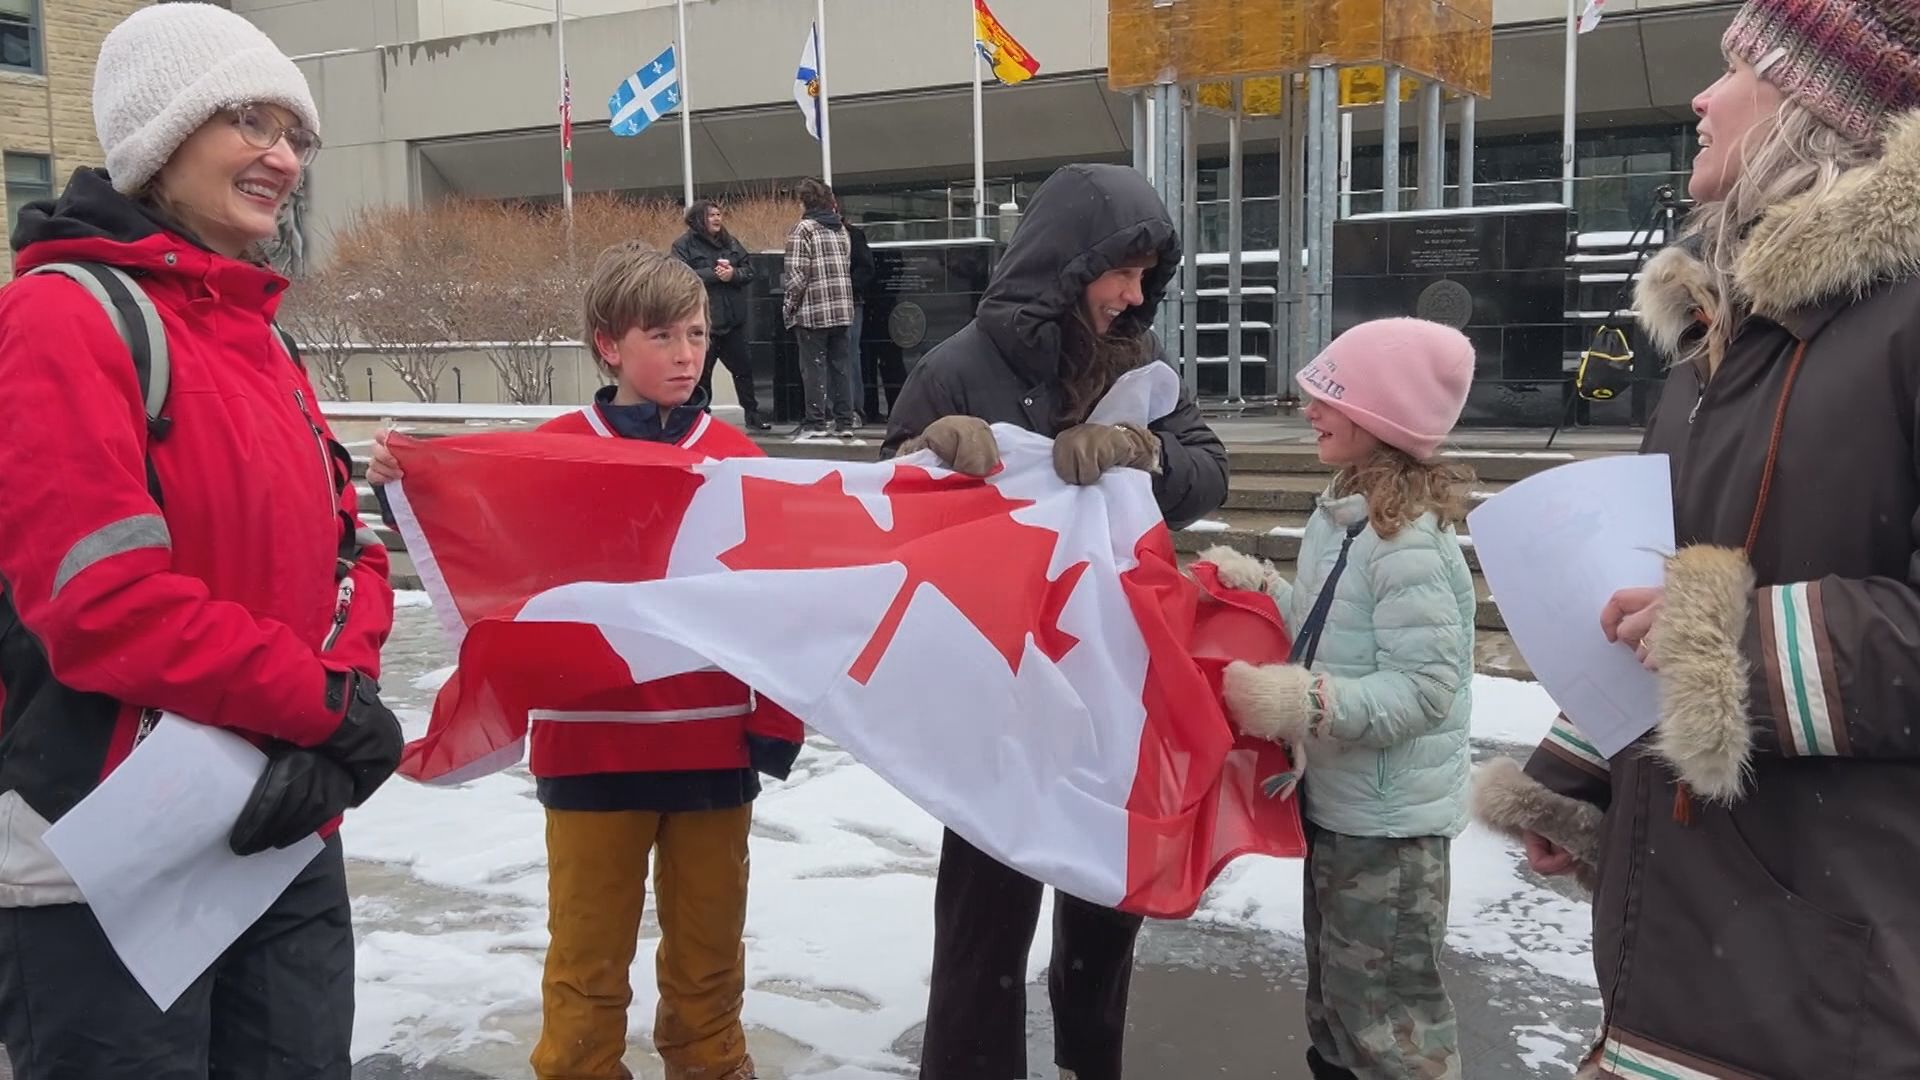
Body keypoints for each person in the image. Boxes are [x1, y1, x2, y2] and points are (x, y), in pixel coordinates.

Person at [1472, 2, 1920, 1076]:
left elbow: (1704, 626)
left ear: (1816, 107)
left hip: (1833, 965)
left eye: (1734, 71)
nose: (1700, 98)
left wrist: (1729, 643)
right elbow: (1661, 594)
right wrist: (1580, 780)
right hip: (1680, 921)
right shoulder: (1723, 330)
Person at [0, 4, 404, 1077]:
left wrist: (338, 708)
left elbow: (349, 553)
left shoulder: (262, 337)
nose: (285, 158)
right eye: (249, 122)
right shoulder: (63, 317)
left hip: (279, 834)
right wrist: (324, 712)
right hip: (102, 868)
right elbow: (103, 604)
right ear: (159, 135)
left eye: (296, 134)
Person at [367, 244, 802, 1080]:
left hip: (713, 746)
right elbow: (483, 538)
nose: (686, 354)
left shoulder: (738, 460)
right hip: (590, 747)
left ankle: (713, 1067)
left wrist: (776, 723)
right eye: (662, 336)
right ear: (609, 344)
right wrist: (405, 484)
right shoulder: (557, 451)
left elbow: (784, 607)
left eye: (696, 334)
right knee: (588, 962)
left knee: (710, 960)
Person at [883, 162, 1229, 1080]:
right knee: (984, 918)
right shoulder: (957, 368)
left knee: (1108, 902)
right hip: (1000, 682)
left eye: (1147, 276)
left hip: (1113, 673)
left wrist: (1142, 452)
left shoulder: (1142, 361)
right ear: (1067, 266)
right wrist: (924, 456)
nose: (1135, 295)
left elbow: (1208, 470)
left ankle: (1089, 1062)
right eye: (1121, 273)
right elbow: (881, 516)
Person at [1206, 318, 1478, 1080]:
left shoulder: (1407, 542)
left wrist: (1306, 705)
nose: (1309, 410)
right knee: (1339, 1010)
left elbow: (1423, 690)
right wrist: (1265, 589)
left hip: (1389, 834)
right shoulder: (1347, 515)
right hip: (1342, 811)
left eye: (1329, 397)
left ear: (1381, 417)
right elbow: (1332, 629)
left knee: (1387, 1026)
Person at [672, 199, 770, 431]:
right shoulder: (683, 245)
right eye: (711, 215)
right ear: (698, 219)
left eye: (719, 214)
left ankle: (753, 414)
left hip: (733, 322)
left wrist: (733, 274)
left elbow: (750, 270)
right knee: (702, 376)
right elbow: (680, 275)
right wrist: (715, 274)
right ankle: (700, 419)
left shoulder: (730, 242)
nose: (717, 219)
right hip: (703, 324)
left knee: (744, 371)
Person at [783, 178, 858, 440]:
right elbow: (846, 264)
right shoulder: (840, 229)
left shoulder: (803, 229)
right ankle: (845, 421)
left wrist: (789, 308)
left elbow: (796, 276)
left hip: (813, 311)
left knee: (814, 368)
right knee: (841, 367)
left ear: (804, 202)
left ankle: (816, 422)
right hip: (842, 309)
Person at [844, 211, 876, 423]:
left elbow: (866, 268)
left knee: (849, 356)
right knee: (844, 356)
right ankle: (844, 409)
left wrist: (848, 287)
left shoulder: (853, 235)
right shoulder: (850, 235)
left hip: (850, 301)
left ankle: (854, 408)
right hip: (845, 300)